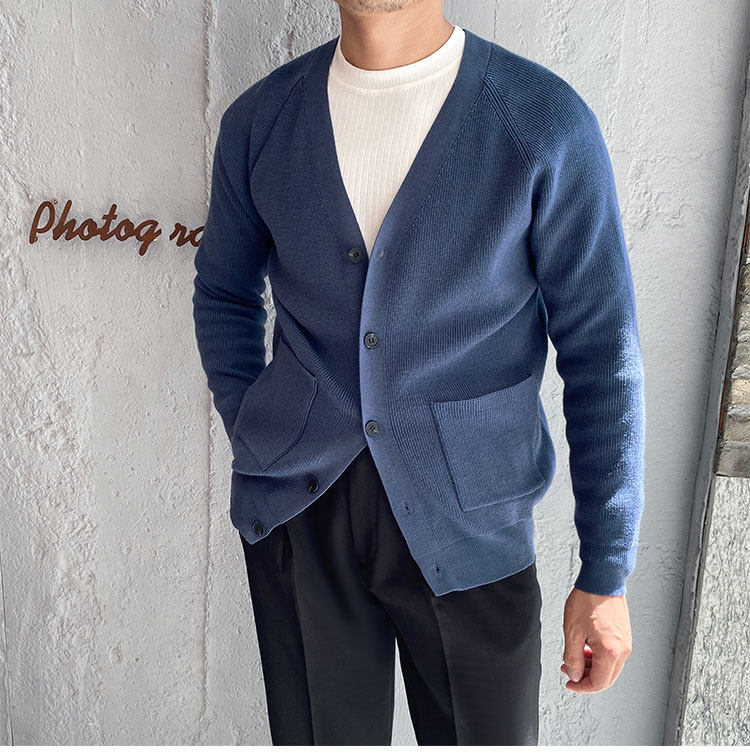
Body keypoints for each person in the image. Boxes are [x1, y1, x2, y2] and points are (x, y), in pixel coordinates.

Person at [191, 0, 645, 745]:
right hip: (300, 514)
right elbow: (224, 291)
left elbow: (602, 351)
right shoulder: (261, 121)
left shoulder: (543, 123)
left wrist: (607, 568)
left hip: (472, 528)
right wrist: (258, 425)